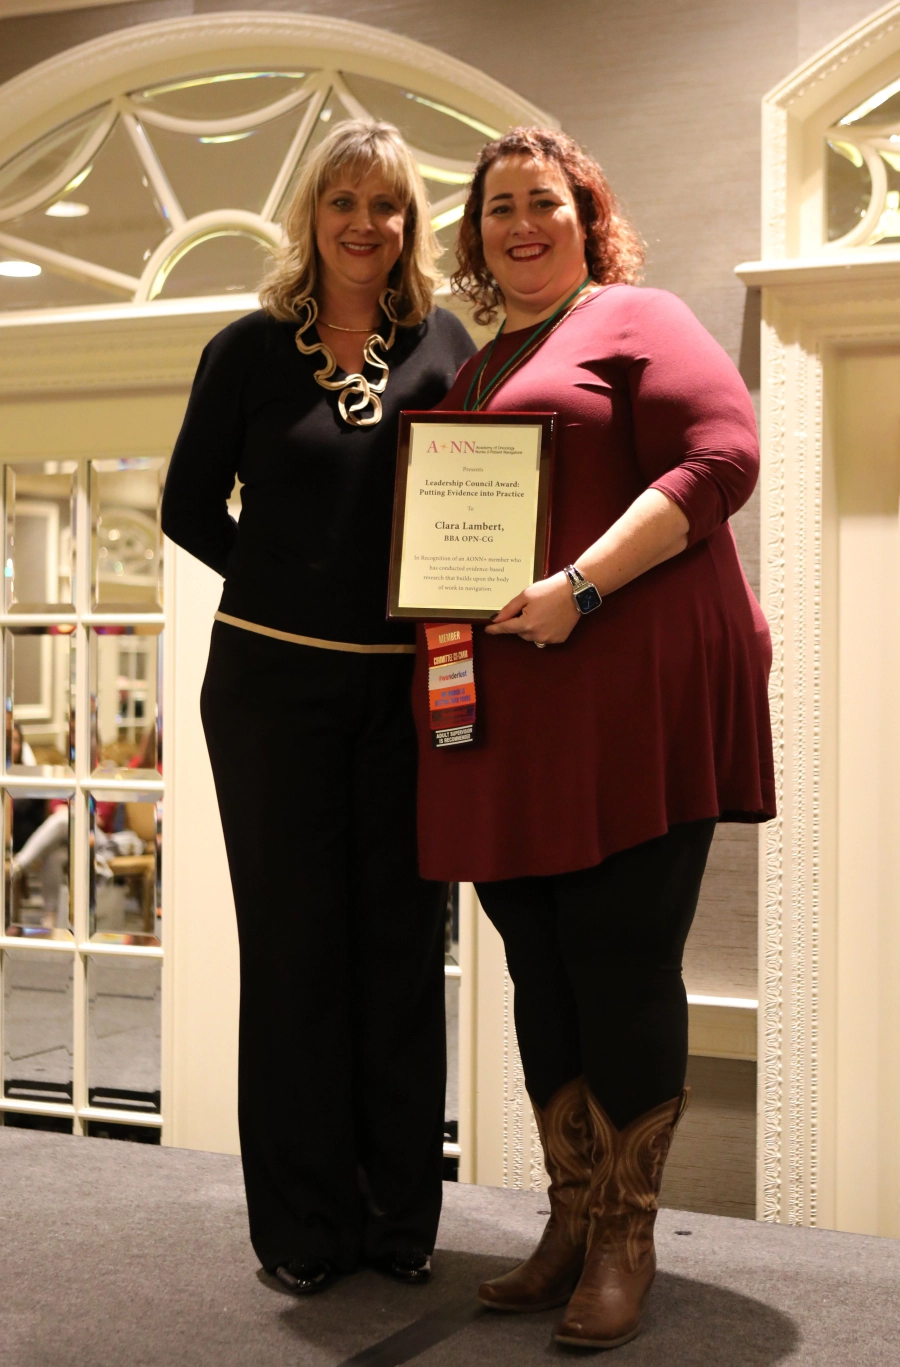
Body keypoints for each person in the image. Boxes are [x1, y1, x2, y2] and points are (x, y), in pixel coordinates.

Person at [413, 128, 775, 1350]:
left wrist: (582, 583)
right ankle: (571, 1215)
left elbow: (724, 457)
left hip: (635, 695)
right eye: (499, 208)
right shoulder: (477, 369)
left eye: (545, 202)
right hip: (512, 717)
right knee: (541, 963)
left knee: (620, 956)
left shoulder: (638, 318)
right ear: (477, 235)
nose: (523, 224)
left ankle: (626, 1234)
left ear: (588, 216)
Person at [161, 120, 475, 1295]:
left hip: (404, 689)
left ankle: (399, 1219)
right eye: (343, 200)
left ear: (408, 223)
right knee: (296, 953)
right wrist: (291, 576)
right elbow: (188, 506)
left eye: (386, 204)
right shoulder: (247, 349)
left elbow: (477, 499)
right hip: (271, 687)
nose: (364, 222)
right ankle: (302, 1225)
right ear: (312, 215)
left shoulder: (445, 346)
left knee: (400, 947)